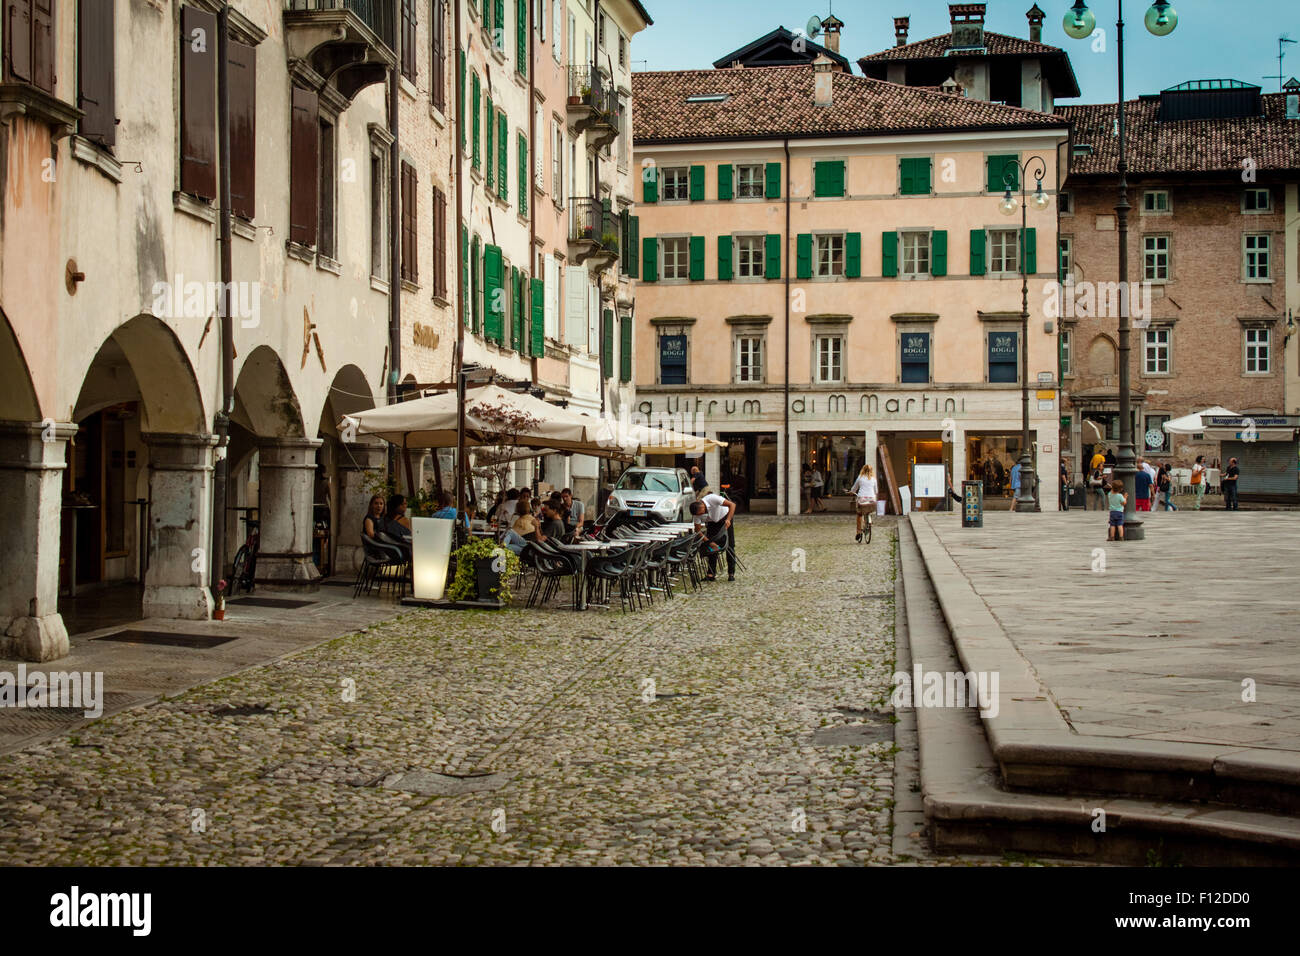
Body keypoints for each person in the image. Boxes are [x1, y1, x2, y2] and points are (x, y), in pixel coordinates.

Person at [691, 491, 737, 581]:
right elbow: (697, 531)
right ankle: (711, 574)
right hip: (712, 523)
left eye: (701, 513)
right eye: (699, 515)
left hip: (725, 517)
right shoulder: (697, 514)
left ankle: (731, 573)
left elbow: (732, 505)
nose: (701, 515)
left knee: (730, 545)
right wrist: (709, 542)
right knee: (711, 547)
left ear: (702, 506)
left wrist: (728, 520)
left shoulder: (712, 498)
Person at [848, 464, 878, 542]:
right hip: (871, 500)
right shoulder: (874, 479)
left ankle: (859, 531)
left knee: (859, 514)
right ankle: (869, 523)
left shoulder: (860, 478)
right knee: (868, 511)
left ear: (863, 470)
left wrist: (851, 492)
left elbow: (854, 488)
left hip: (862, 499)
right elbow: (876, 491)